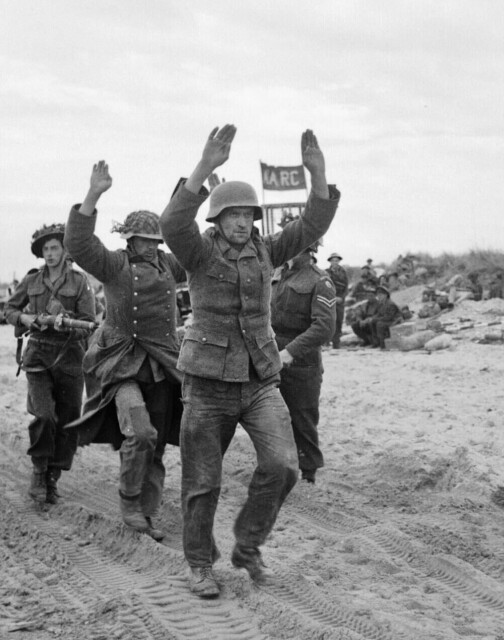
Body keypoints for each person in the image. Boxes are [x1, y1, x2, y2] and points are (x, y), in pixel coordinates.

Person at [159, 124, 340, 598]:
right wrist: (204, 166)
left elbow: (312, 225)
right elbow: (173, 223)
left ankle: (247, 546)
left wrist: (317, 175)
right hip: (206, 382)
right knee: (203, 481)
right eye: (233, 214)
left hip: (259, 379)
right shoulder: (197, 251)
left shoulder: (267, 249)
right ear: (217, 219)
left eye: (248, 215)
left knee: (283, 466)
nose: (242, 222)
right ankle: (199, 564)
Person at [64, 160, 186, 541]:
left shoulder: (169, 264)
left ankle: (145, 514)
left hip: (163, 365)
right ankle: (130, 504)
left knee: (159, 444)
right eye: (144, 240)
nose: (152, 247)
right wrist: (94, 193)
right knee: (143, 434)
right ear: (130, 240)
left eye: (156, 241)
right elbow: (79, 243)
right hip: (121, 366)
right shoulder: (114, 265)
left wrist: (199, 196)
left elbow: (194, 248)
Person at [224, 244, 335, 483]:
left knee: (302, 417)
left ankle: (308, 473)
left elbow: (324, 327)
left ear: (308, 248)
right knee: (270, 416)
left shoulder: (319, 280)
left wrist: (290, 352)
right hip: (269, 357)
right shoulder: (276, 275)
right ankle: (277, 467)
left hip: (302, 361)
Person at [5, 223, 96, 505]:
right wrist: (24, 319)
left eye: (55, 247)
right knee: (43, 415)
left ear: (65, 250)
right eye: (46, 249)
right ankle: (39, 471)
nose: (51, 253)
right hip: (38, 356)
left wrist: (65, 321)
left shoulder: (80, 282)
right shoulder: (32, 280)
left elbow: (89, 324)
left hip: (69, 357)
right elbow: (10, 308)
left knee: (68, 422)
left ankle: (53, 477)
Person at [325, 252, 348, 348]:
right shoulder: (326, 272)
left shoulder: (343, 272)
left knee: (339, 321)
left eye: (336, 260)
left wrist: (342, 298)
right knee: (328, 321)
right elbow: (324, 286)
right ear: (330, 261)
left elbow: (346, 287)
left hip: (340, 300)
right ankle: (326, 342)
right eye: (333, 260)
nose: (335, 262)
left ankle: (336, 343)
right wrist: (332, 297)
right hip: (329, 300)